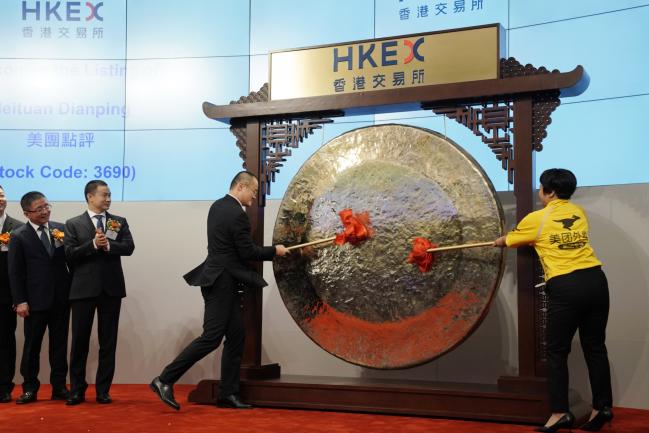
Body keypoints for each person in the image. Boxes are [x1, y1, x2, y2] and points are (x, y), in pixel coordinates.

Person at [150, 171, 289, 411]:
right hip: (221, 281)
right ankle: (164, 379)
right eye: (253, 192)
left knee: (236, 336)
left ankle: (227, 394)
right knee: (211, 338)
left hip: (222, 279)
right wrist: (274, 251)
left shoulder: (218, 206)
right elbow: (247, 252)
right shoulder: (237, 214)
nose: (254, 198)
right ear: (241, 186)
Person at [494, 168, 613, 432]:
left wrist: (498, 241)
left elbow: (511, 240)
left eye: (541, 188)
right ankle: (602, 407)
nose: (539, 192)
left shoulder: (538, 218)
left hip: (567, 285)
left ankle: (559, 412)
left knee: (557, 352)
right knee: (595, 347)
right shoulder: (578, 213)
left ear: (549, 192)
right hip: (596, 280)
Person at [64, 180, 134, 405]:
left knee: (108, 342)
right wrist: (93, 245)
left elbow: (129, 247)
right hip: (83, 290)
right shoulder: (73, 224)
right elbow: (69, 254)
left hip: (111, 290)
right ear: (89, 197)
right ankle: (77, 390)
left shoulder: (117, 222)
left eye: (110, 195)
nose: (108, 199)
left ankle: (103, 390)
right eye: (104, 195)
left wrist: (108, 246)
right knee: (80, 342)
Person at [7, 191, 71, 404]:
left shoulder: (60, 229)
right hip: (34, 302)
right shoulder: (18, 235)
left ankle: (60, 387)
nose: (45, 211)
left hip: (61, 299)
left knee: (59, 345)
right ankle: (30, 388)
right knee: (32, 346)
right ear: (27, 213)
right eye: (39, 209)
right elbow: (15, 272)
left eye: (46, 206)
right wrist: (20, 300)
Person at [0, 185, 23, 403]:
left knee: (5, 342)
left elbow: (21, 268)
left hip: (6, 296)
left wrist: (19, 298)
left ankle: (4, 386)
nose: (0, 199)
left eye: (2, 195)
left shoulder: (17, 228)